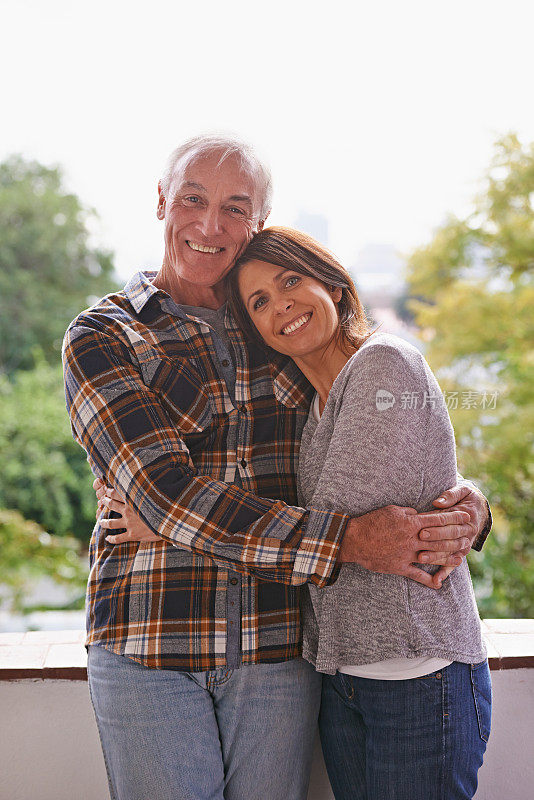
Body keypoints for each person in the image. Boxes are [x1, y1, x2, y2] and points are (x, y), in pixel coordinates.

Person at [63, 135, 491, 800]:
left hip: (277, 646)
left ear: (258, 222)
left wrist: (466, 499)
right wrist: (345, 540)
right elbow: (166, 495)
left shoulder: (277, 328)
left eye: (235, 208)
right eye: (193, 200)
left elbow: (372, 433)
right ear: (160, 202)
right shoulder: (103, 336)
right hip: (151, 639)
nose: (210, 226)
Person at [226, 226, 491, 800]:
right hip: (345, 683)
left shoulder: (383, 365)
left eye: (290, 280)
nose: (282, 305)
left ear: (334, 285)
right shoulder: (310, 409)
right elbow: (324, 533)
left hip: (420, 675)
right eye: (260, 302)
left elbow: (334, 525)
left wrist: (185, 522)